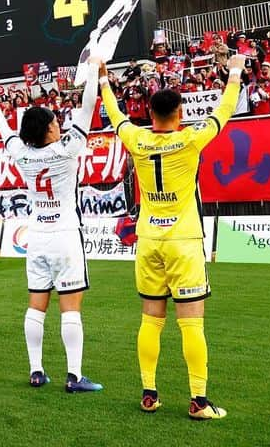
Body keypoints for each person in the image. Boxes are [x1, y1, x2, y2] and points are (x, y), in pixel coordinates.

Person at [98, 53, 246, 421]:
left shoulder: (136, 139)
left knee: (151, 319)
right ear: (180, 112)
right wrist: (235, 73)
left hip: (148, 240)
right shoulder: (191, 139)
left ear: (149, 113)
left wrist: (103, 80)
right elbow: (225, 110)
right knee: (191, 322)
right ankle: (198, 400)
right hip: (183, 240)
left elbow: (116, 116)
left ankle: (149, 393)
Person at [0, 69, 104, 392]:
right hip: (65, 235)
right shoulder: (67, 150)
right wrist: (94, 72)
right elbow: (88, 106)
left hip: (35, 236)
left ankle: (36, 371)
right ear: (49, 128)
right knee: (70, 307)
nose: (59, 124)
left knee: (36, 305)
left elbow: (3, 128)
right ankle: (75, 375)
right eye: (54, 121)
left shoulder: (21, 154)